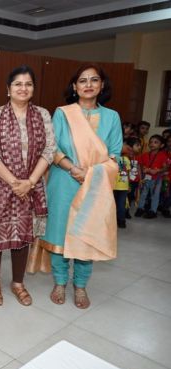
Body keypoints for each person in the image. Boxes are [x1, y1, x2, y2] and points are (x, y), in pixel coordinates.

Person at [40, 63, 122, 309]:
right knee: (59, 233)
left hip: (96, 184)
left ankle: (81, 286)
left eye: (94, 80)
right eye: (83, 81)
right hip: (64, 181)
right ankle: (60, 282)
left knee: (88, 232)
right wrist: (73, 168)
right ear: (74, 87)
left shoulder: (112, 117)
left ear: (101, 85)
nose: (88, 85)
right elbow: (52, 147)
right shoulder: (63, 113)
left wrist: (92, 172)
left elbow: (115, 154)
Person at [0, 65, 55, 306]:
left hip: (30, 187)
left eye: (28, 84)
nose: (23, 88)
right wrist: (14, 182)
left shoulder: (42, 115)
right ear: (8, 89)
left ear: (33, 89)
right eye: (18, 84)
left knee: (23, 234)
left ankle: (18, 283)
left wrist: (30, 182)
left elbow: (49, 150)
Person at [135, 134, 167, 218]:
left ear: (161, 145)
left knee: (155, 195)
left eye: (156, 142)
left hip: (157, 179)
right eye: (151, 142)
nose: (152, 144)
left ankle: (153, 211)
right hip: (146, 178)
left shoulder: (162, 155)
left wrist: (158, 170)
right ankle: (140, 208)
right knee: (143, 194)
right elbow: (140, 164)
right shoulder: (145, 154)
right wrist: (143, 169)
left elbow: (166, 167)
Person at [124, 136, 142, 218]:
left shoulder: (138, 157)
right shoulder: (125, 156)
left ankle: (127, 211)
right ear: (130, 146)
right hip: (126, 180)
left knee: (131, 197)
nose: (139, 147)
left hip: (135, 181)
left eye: (140, 145)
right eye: (137, 145)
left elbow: (139, 168)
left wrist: (140, 179)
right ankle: (122, 211)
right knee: (124, 197)